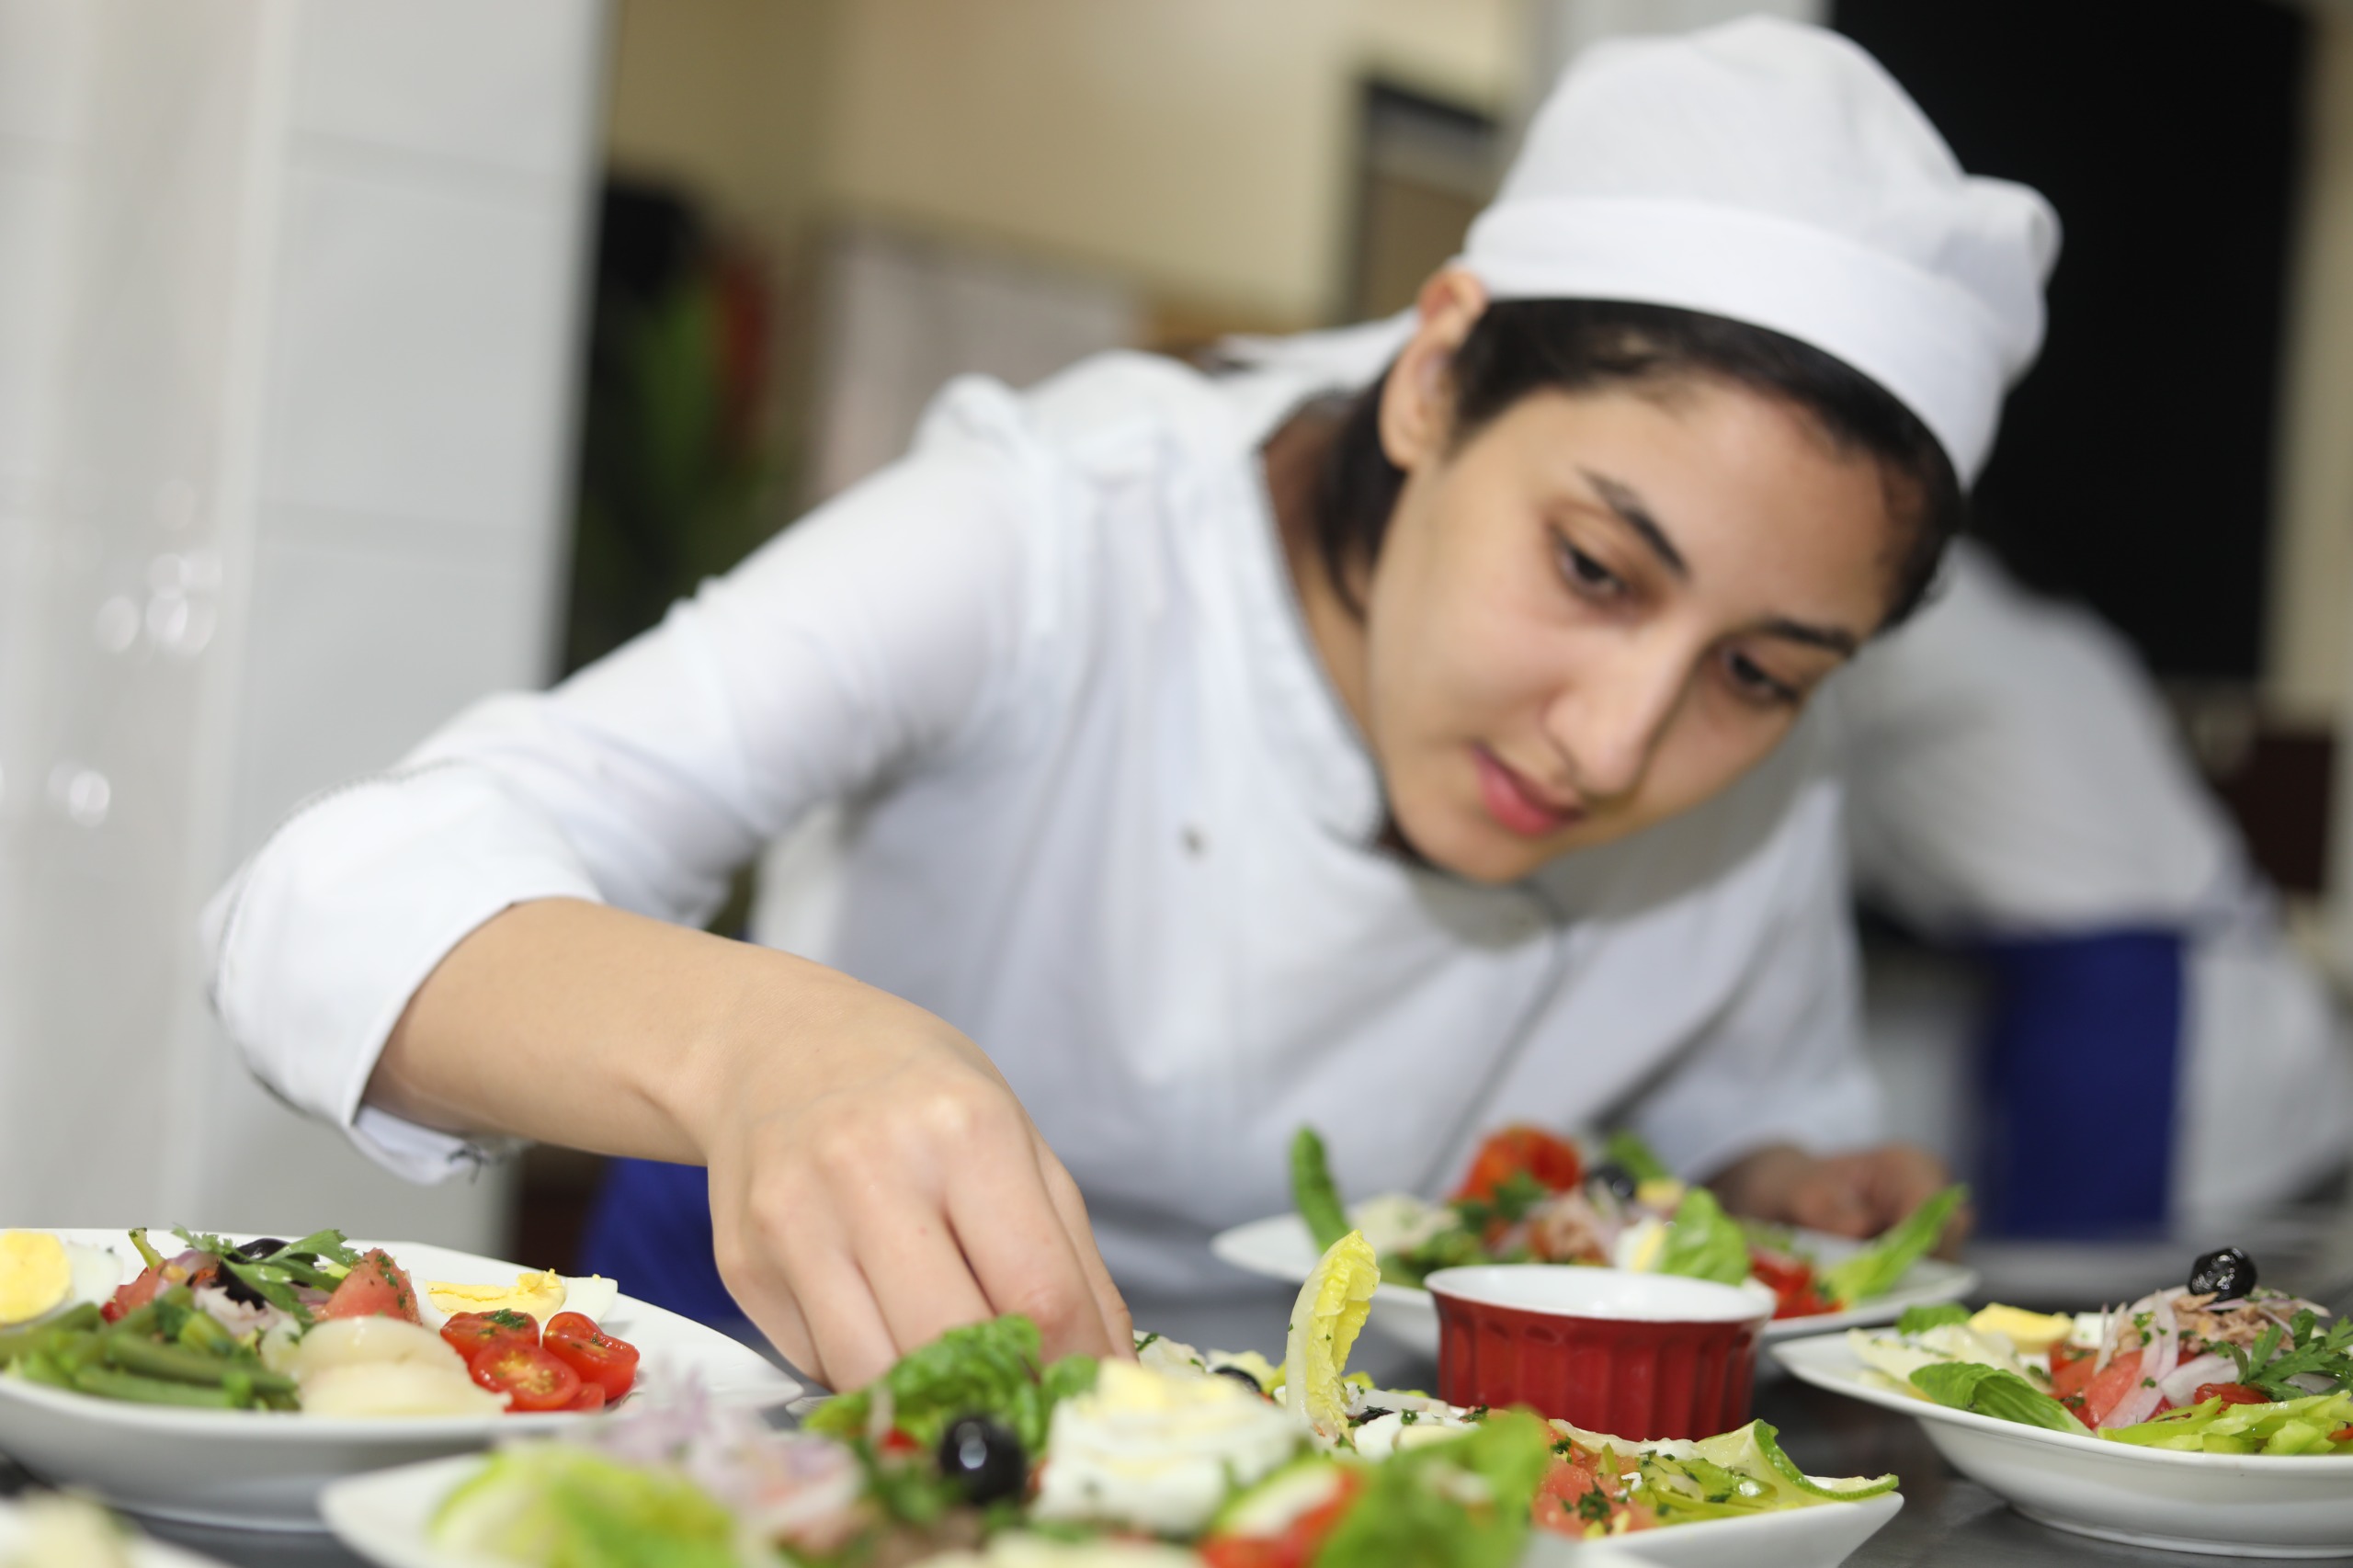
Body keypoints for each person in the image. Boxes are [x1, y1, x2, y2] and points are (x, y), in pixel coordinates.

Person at [201, 19, 2057, 1387]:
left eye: (1757, 672)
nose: (1616, 742)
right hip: (777, 1388)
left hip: (1324, 1464)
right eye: (1590, 567)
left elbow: (1742, 1107)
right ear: (1433, 377)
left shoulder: (1763, 760)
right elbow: (320, 904)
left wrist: (1791, 1184)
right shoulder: (1055, 534)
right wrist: (761, 1046)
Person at [1831, 539, 2353, 1234]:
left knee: (2093, 1277)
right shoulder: (2022, 614)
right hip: (2177, 975)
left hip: (2127, 995)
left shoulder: (1906, 608)